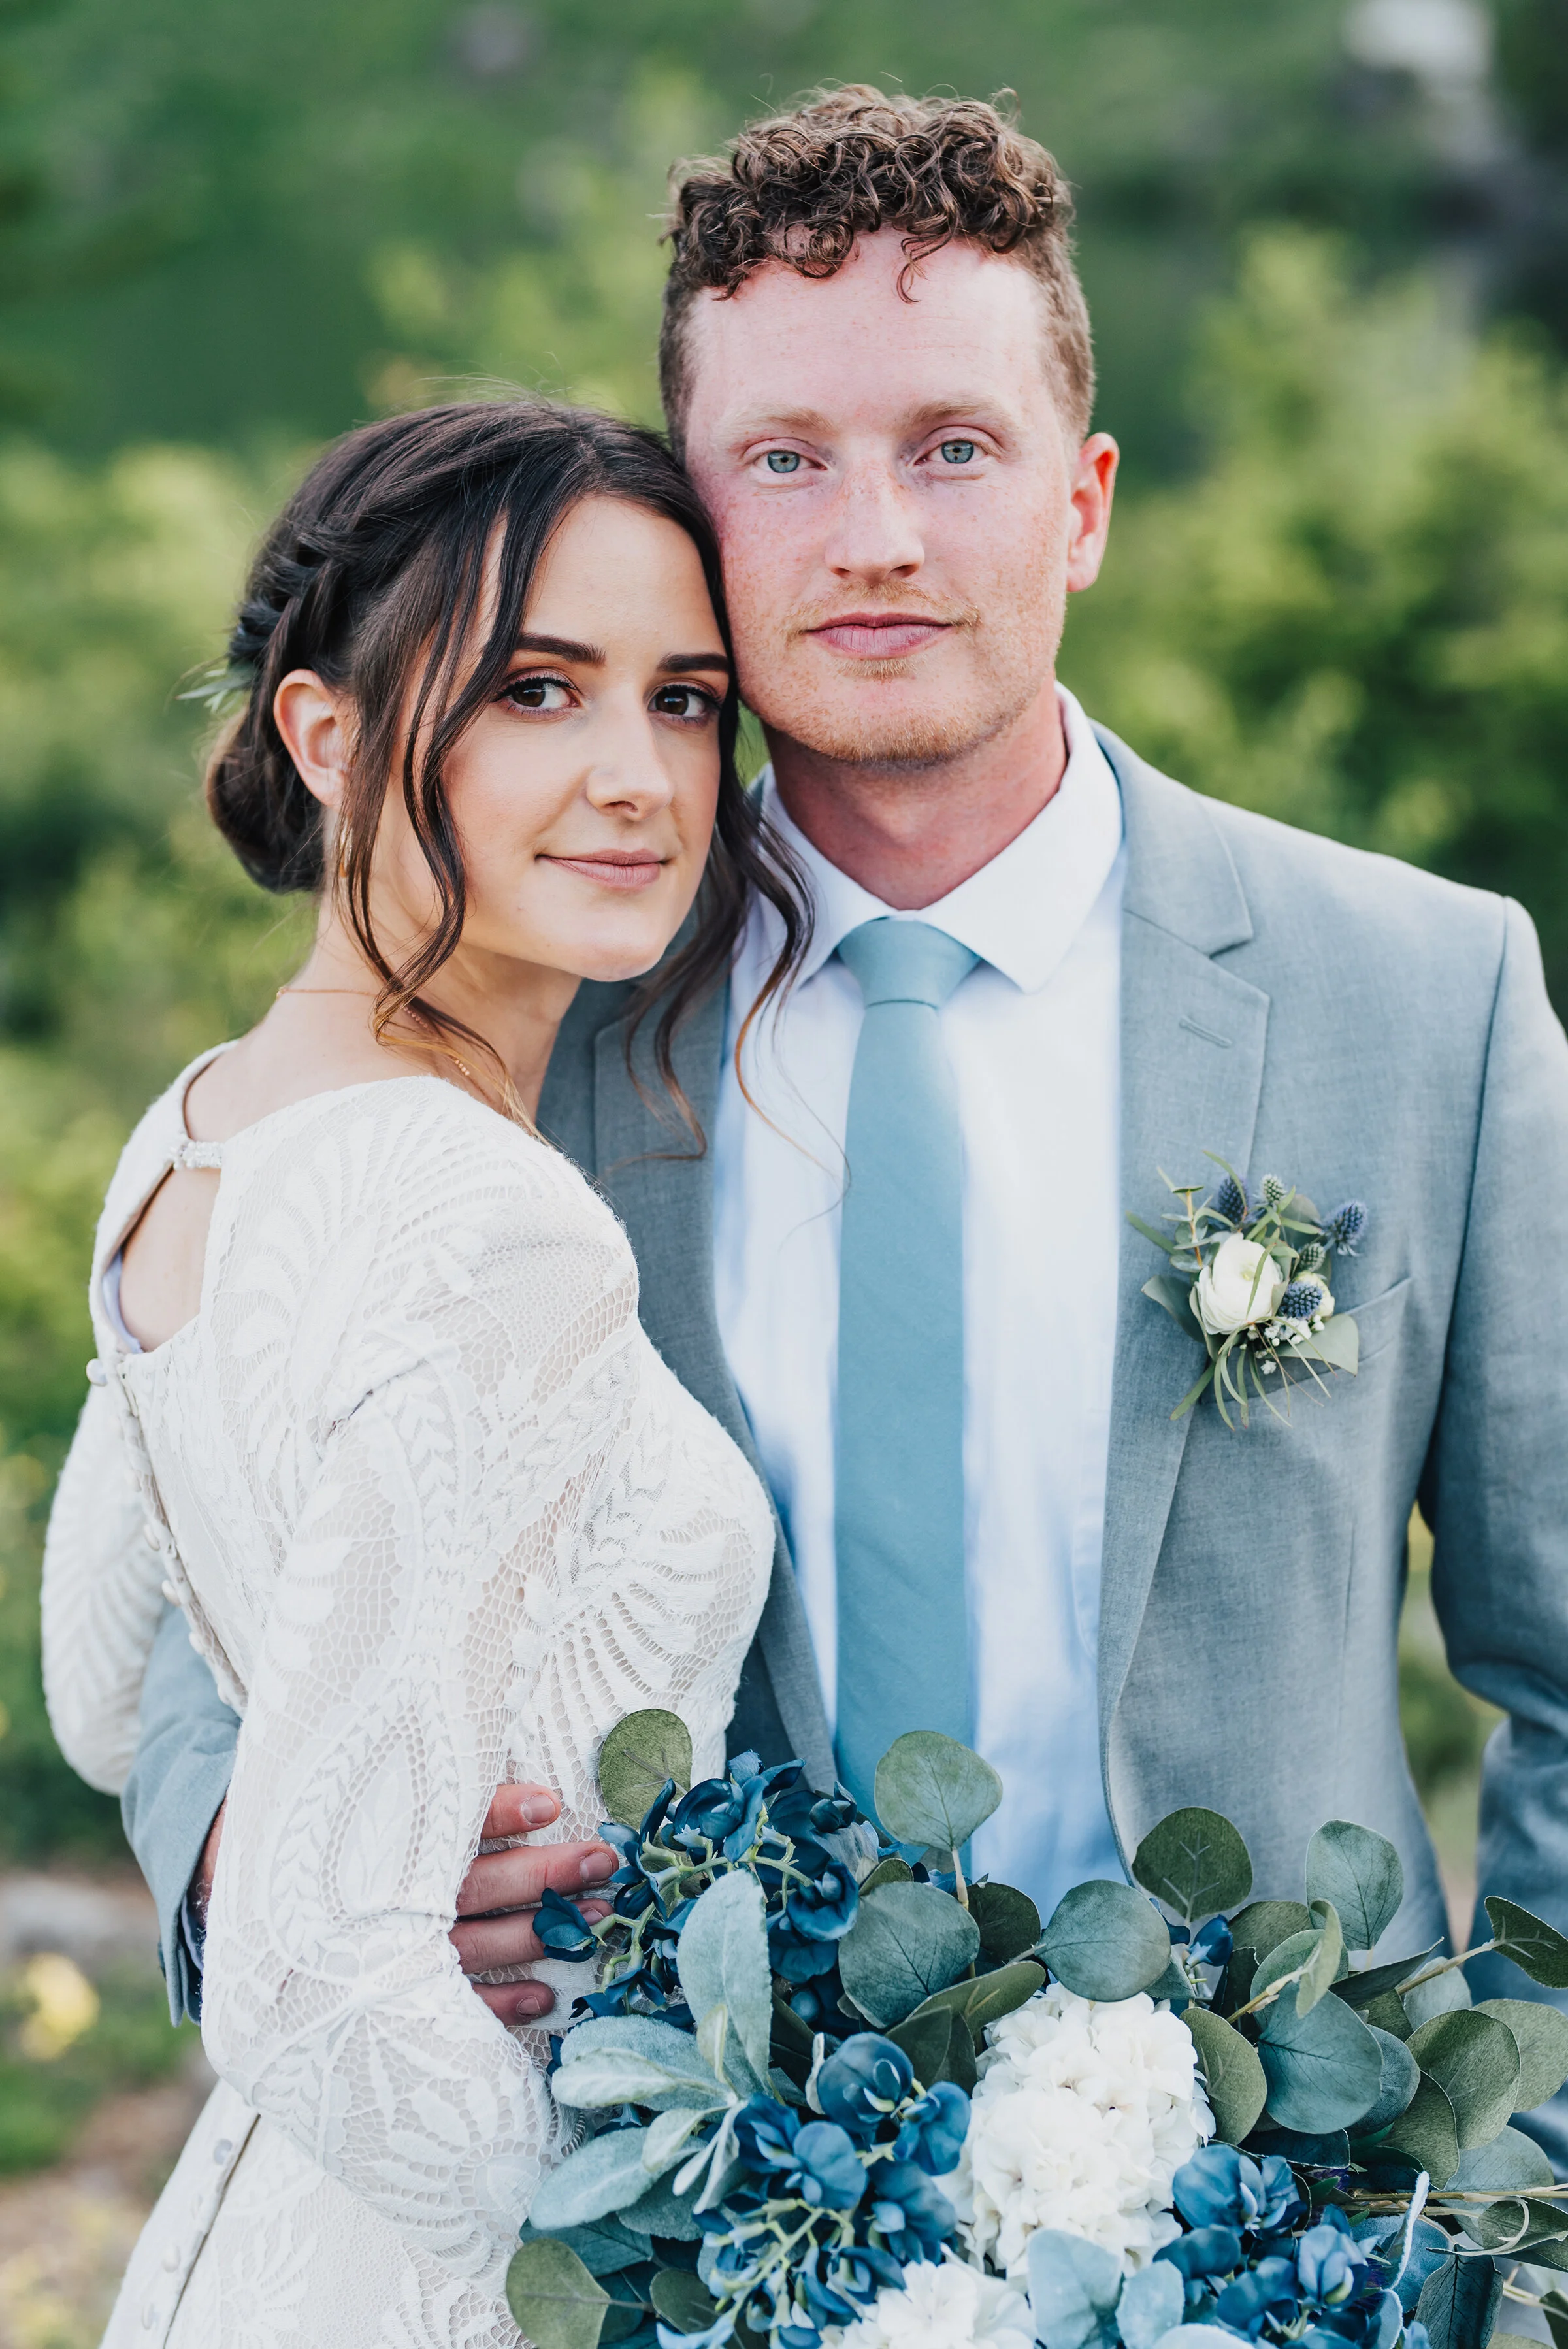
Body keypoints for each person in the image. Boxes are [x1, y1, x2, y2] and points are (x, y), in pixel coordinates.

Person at [62, 81, 1568, 2187]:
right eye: (785, 460)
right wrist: (264, 1862)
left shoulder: (1420, 994)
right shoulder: (527, 1024)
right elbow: (218, 1587)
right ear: (697, 512)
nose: (874, 535)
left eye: (955, 448)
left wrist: (1517, 2180)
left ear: (1088, 503)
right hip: (685, 2222)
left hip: (1300, 2230)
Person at [41, 400, 804, 2344]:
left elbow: (101, 1691)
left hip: (258, 2234)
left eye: (688, 699)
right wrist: (649, 2263)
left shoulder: (188, 1139)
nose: (639, 775)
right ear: (327, 732)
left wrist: (320, 1820)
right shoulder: (500, 1230)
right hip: (469, 2259)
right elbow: (310, 1974)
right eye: (539, 691)